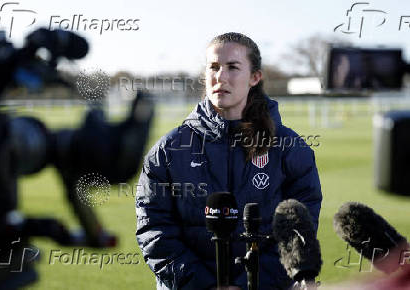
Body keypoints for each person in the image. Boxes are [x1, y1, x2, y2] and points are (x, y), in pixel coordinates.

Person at [135, 32, 322, 290]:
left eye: (233, 67)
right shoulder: (169, 150)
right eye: (213, 67)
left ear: (255, 77)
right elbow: (154, 229)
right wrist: (203, 285)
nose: (220, 76)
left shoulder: (289, 147)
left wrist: (251, 284)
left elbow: (300, 227)